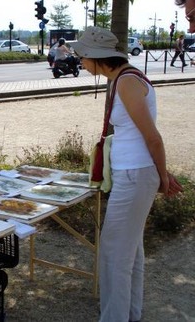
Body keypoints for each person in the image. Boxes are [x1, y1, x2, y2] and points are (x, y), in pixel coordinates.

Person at [71, 26, 183, 322]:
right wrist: (160, 175)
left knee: (113, 256)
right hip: (132, 174)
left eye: (82, 55)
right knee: (129, 252)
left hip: (135, 176)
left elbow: (153, 137)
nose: (80, 61)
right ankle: (130, 314)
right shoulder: (122, 79)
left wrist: (162, 177)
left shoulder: (126, 82)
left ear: (96, 56)